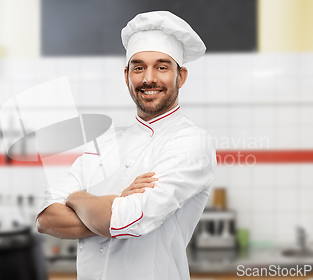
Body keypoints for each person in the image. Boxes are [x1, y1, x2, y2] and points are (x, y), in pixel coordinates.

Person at [36, 11, 216, 280]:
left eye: (162, 67)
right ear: (127, 74)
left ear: (181, 77)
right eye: (139, 67)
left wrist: (76, 198)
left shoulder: (191, 142)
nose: (148, 78)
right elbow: (46, 218)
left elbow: (128, 221)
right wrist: (114, 204)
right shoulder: (106, 141)